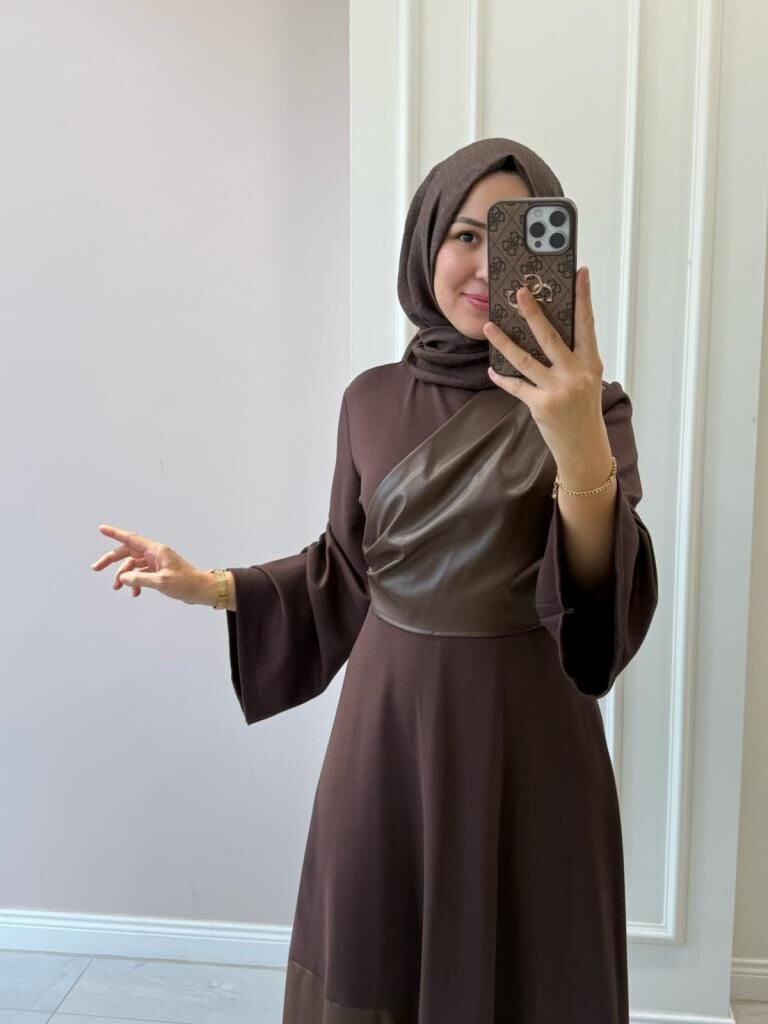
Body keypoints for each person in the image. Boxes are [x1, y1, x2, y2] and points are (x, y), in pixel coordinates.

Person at [91, 137, 659, 1023]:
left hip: (531, 737)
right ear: (424, 243)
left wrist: (579, 437)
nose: (486, 267)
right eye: (464, 235)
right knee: (373, 947)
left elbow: (597, 611)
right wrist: (209, 585)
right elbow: (345, 570)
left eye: (511, 238)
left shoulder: (595, 406)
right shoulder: (369, 399)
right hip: (389, 731)